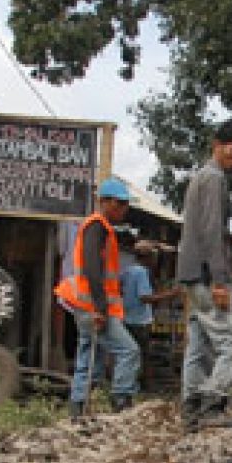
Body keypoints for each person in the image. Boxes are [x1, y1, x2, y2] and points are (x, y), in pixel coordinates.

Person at [176, 118, 232, 431]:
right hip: (206, 275)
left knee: (199, 345)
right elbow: (209, 233)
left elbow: (207, 231)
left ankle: (191, 407)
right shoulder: (214, 179)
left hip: (192, 272)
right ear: (217, 145)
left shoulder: (202, 177)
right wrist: (220, 281)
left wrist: (230, 240)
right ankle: (212, 406)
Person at [55, 177, 141, 418]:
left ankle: (78, 407)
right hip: (93, 306)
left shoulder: (99, 227)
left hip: (85, 305)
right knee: (129, 350)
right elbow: (92, 268)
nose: (124, 209)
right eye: (120, 203)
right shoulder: (97, 227)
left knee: (88, 356)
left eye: (125, 204)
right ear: (104, 201)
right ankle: (121, 399)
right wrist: (100, 308)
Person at [118, 231, 181, 393]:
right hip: (139, 320)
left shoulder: (127, 271)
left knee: (130, 354)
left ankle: (131, 384)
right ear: (148, 257)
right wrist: (169, 294)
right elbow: (145, 297)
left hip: (126, 316)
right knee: (144, 354)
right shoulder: (141, 272)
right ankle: (143, 385)